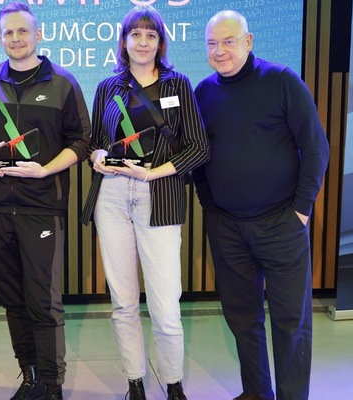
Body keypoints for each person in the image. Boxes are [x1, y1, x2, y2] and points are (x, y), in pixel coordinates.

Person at [192, 10, 330, 400]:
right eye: (212, 44)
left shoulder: (282, 80)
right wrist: (211, 207)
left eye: (229, 41)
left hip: (281, 223)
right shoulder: (202, 93)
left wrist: (301, 210)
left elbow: (316, 146)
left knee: (291, 321)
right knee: (241, 318)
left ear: (249, 41)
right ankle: (256, 393)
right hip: (227, 228)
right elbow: (198, 157)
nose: (220, 51)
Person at [79, 5, 209, 400]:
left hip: (160, 194)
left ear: (160, 42)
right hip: (113, 196)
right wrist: (96, 157)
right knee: (123, 301)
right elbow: (96, 142)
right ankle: (134, 381)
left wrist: (152, 173)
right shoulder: (107, 87)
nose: (143, 41)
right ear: (124, 41)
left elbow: (199, 148)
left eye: (150, 35)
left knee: (166, 302)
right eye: (135, 34)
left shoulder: (178, 84)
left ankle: (172, 383)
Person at [0, 3, 90, 400]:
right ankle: (30, 375)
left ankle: (52, 384)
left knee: (43, 301)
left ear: (38, 34)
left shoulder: (65, 84)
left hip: (41, 207)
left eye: (22, 32)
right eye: (7, 33)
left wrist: (47, 169)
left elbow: (82, 142)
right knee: (13, 299)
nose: (15, 39)